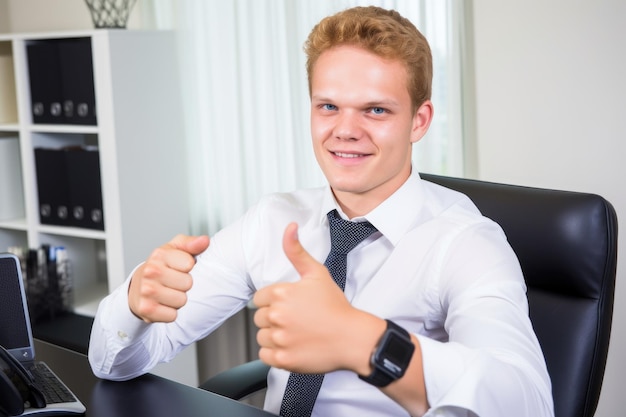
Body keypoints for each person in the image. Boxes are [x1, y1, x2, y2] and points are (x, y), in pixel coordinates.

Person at [88, 6, 554, 417]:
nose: (345, 130)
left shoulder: (466, 240)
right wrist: (136, 303)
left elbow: (528, 401)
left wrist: (367, 342)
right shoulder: (274, 219)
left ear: (419, 121)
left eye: (375, 110)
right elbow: (113, 364)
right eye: (328, 106)